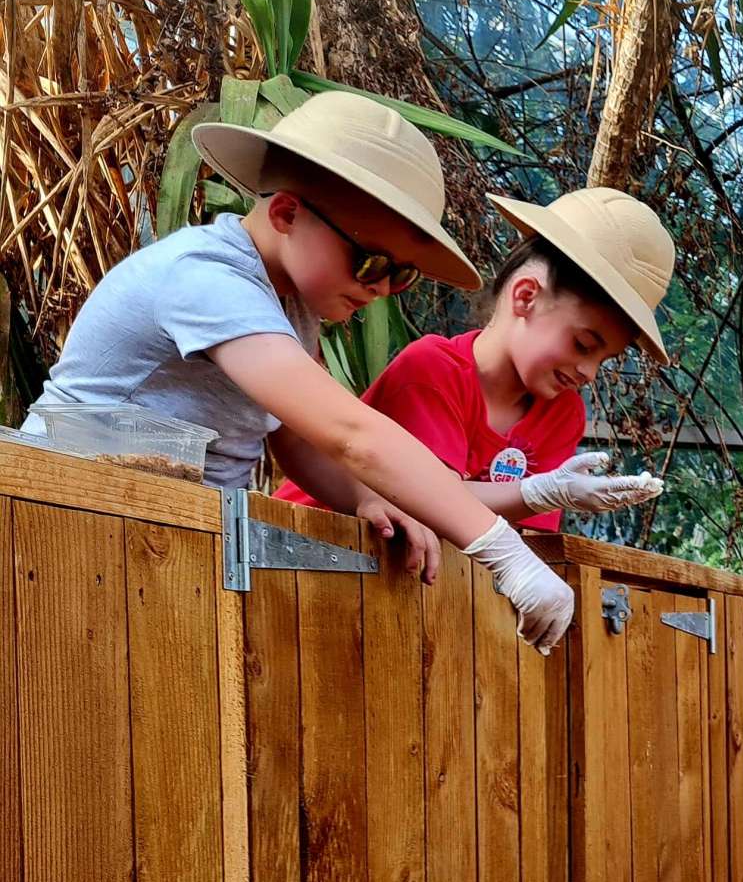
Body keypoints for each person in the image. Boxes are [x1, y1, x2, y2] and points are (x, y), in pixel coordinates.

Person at [20, 90, 574, 651]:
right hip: (65, 523)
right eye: (371, 263)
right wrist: (502, 551)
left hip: (164, 539)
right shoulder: (209, 278)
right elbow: (349, 433)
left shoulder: (287, 307)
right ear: (287, 214)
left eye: (401, 276)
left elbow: (295, 434)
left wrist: (361, 497)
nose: (380, 290)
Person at [277, 185, 670, 534]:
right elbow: (435, 505)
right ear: (526, 297)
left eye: (605, 359)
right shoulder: (432, 370)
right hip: (302, 546)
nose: (589, 372)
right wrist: (542, 492)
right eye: (584, 345)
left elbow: (526, 537)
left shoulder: (562, 413)